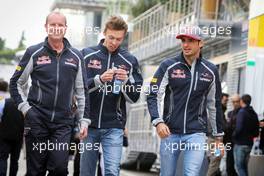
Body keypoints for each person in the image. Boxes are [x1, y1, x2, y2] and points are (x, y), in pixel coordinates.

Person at [9, 11, 90, 176]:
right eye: (53, 25)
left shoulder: (76, 56)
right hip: (37, 121)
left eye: (60, 25)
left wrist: (84, 120)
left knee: (60, 168)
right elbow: (16, 83)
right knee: (35, 171)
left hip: (63, 123)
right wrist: (27, 110)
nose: (56, 28)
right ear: (46, 27)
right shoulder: (34, 52)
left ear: (65, 28)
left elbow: (82, 91)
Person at [147, 25, 224, 176]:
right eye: (183, 40)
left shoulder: (210, 71)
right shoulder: (168, 66)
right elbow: (153, 94)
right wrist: (158, 121)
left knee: (191, 173)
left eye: (190, 40)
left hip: (196, 133)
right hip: (169, 132)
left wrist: (218, 137)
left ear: (200, 43)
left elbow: (214, 105)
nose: (186, 45)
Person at [80, 15, 143, 176]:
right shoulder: (86, 54)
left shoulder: (130, 60)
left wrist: (125, 83)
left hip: (114, 126)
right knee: (86, 172)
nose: (114, 42)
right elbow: (77, 88)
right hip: (89, 124)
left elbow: (135, 97)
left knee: (112, 172)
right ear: (104, 33)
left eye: (119, 39)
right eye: (111, 37)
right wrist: (98, 80)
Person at [0, 80, 24, 176]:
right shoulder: (24, 105)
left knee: (2, 158)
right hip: (18, 137)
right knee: (15, 160)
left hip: (4, 136)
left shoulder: (3, 102)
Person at [233, 94, 259, 176]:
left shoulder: (242, 112)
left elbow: (239, 128)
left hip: (240, 144)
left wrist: (233, 136)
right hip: (249, 144)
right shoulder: (254, 113)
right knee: (244, 166)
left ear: (241, 101)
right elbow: (256, 131)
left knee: (239, 167)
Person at [207, 93, 229, 176]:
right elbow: (211, 125)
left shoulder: (220, 110)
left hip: (215, 140)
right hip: (216, 140)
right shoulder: (217, 110)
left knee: (214, 160)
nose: (226, 102)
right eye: (225, 100)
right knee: (215, 160)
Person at [225, 94, 240, 176]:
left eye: (237, 102)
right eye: (233, 102)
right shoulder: (230, 113)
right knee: (229, 164)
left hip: (237, 141)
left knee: (238, 164)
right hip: (229, 140)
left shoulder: (242, 112)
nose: (235, 104)